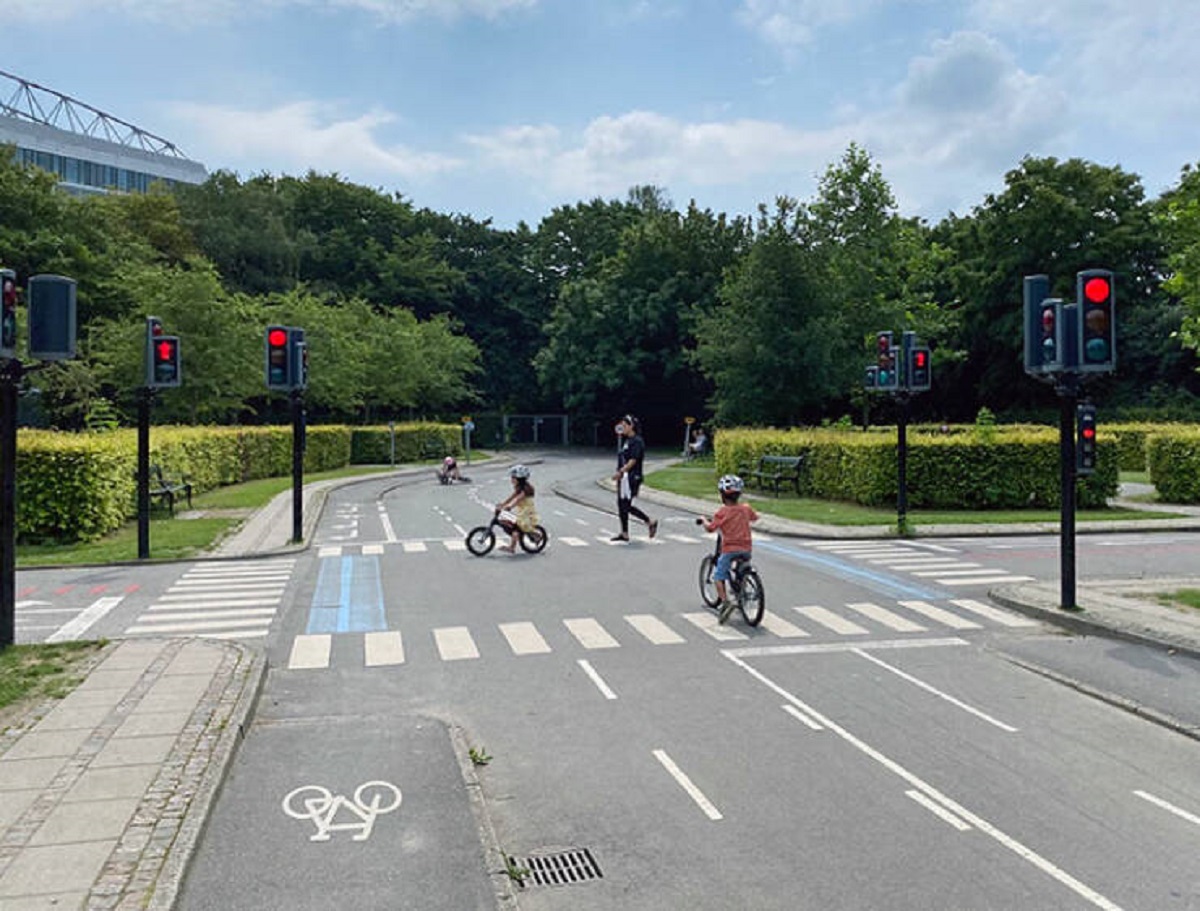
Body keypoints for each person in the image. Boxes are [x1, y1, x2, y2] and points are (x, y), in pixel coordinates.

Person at [701, 474, 759, 623]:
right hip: (746, 548)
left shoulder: (722, 513)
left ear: (722, 495)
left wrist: (703, 521)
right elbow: (754, 517)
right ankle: (742, 587)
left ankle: (725, 601)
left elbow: (711, 528)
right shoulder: (745, 509)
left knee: (719, 576)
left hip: (729, 550)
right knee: (740, 566)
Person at [612, 415, 657, 542]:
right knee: (622, 504)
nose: (623, 428)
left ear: (631, 426)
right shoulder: (627, 441)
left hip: (632, 477)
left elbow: (633, 460)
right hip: (624, 478)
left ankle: (649, 521)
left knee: (625, 505)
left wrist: (621, 472)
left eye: (625, 425)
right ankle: (624, 532)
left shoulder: (637, 441)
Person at [495, 464, 539, 553]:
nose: (511, 479)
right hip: (522, 511)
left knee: (516, 530)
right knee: (511, 525)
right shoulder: (518, 488)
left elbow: (518, 499)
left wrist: (510, 506)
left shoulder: (526, 489)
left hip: (527, 512)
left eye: (513, 478)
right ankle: (530, 535)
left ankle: (512, 547)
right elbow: (511, 497)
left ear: (520, 479)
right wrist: (503, 504)